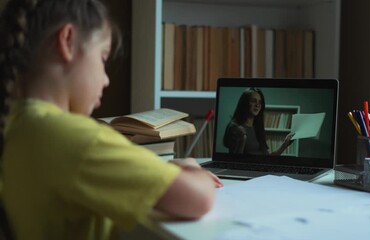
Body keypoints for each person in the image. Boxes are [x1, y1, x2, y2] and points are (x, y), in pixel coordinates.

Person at [0, 0, 222, 239]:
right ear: (67, 41)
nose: (106, 80)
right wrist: (190, 166)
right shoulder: (76, 138)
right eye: (103, 58)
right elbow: (199, 198)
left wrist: (162, 172)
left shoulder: (15, 124)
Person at [223, 87, 294, 155]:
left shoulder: (257, 128)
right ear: (244, 103)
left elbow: (267, 159)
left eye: (260, 102)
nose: (257, 105)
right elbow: (234, 161)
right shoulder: (235, 127)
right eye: (253, 101)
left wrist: (285, 144)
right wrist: (242, 140)